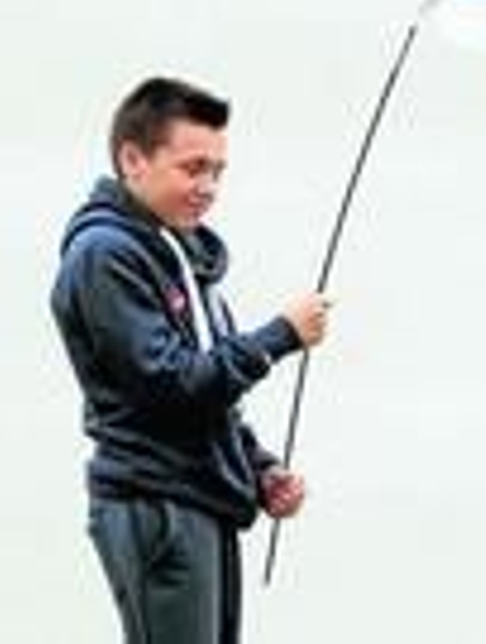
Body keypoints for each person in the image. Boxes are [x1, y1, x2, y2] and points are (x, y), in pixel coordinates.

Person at [50, 76, 334, 644]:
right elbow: (170, 384)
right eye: (192, 168)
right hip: (157, 506)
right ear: (133, 159)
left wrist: (257, 469)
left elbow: (208, 398)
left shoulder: (178, 255)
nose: (208, 187)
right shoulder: (105, 255)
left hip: (201, 503)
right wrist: (280, 335)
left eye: (218, 171)